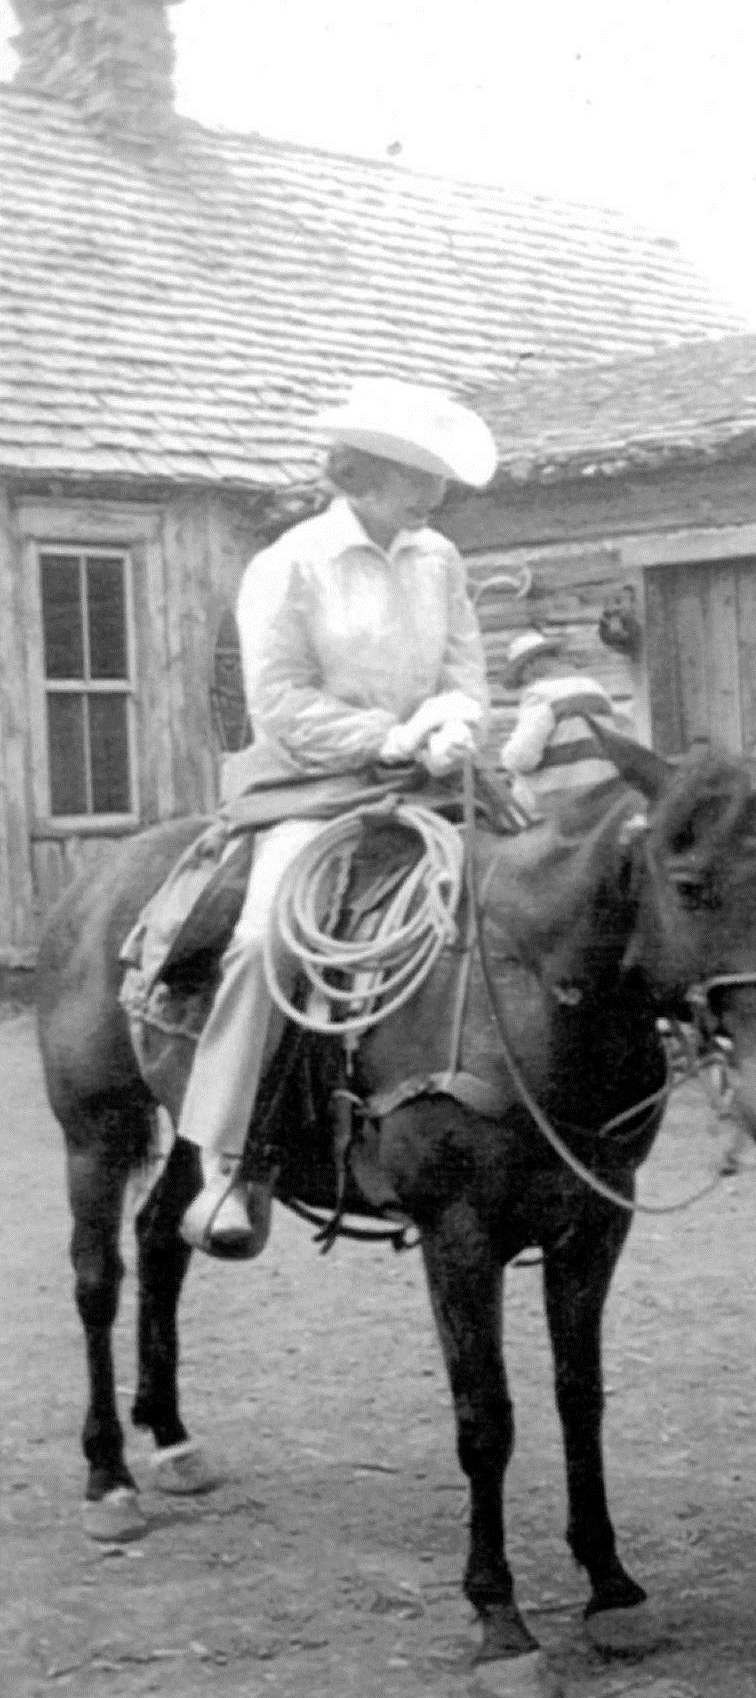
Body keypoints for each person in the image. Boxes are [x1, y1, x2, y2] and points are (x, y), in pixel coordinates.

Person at [177, 377, 497, 1256]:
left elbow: (466, 672)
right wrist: (393, 736)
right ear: (364, 473)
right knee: (263, 939)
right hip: (315, 785)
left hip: (431, 775)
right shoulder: (290, 564)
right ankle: (228, 1162)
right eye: (417, 475)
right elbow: (280, 702)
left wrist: (456, 720)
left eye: (437, 477)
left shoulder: (439, 560)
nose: (433, 494)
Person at [498, 629, 623, 816]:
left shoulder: (540, 694)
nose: (523, 683)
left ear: (530, 665)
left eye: (521, 676)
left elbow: (522, 758)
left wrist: (506, 760)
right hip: (606, 795)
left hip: (560, 802)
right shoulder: (596, 688)